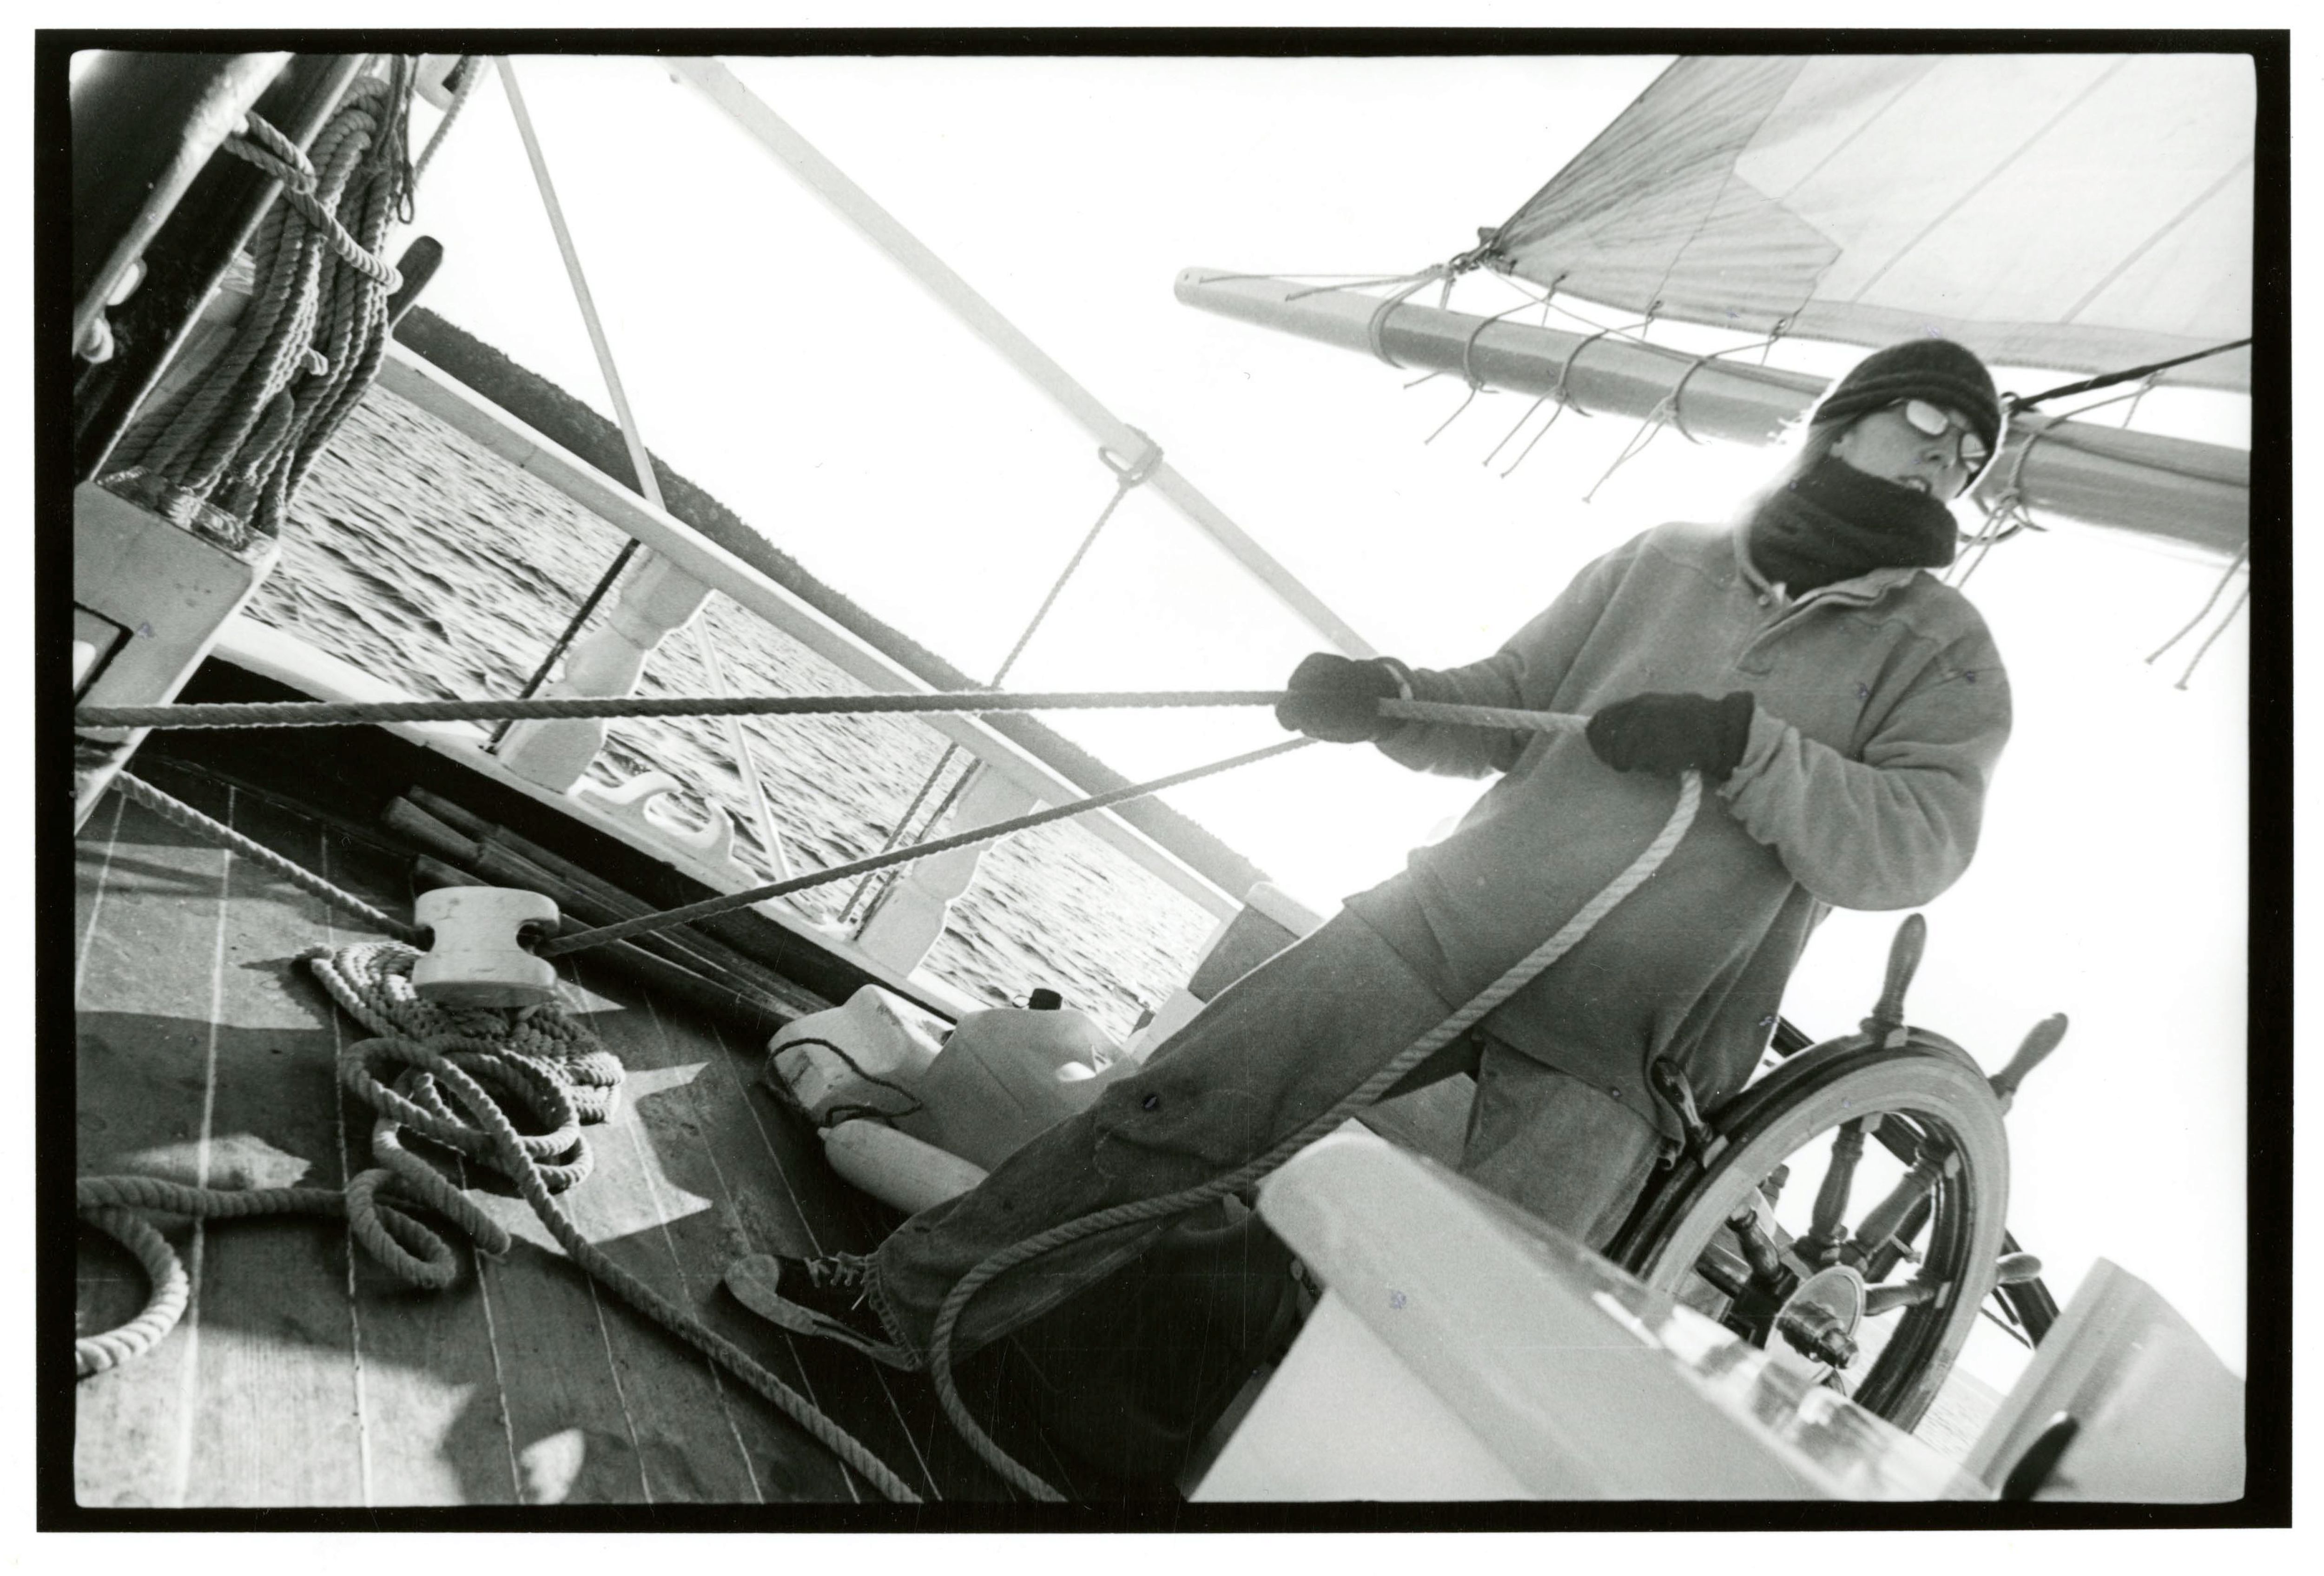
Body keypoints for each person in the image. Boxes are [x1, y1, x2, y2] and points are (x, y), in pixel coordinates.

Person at [746, 337, 2015, 1402]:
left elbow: (1918, 843)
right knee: (1172, 1115)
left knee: (1462, 1328)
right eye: (1929, 420)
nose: (1950, 455)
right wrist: (1387, 700)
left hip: (1629, 1047)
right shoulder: (1667, 558)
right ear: (1848, 418)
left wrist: (1747, 748)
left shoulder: (1945, 653)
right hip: (1449, 922)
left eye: (1972, 454)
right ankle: (903, 1304)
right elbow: (1509, 699)